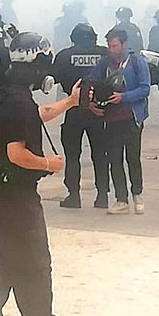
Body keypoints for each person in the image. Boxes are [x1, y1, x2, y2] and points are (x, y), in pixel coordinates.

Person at [0, 31, 79, 316]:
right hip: (17, 200)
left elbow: (33, 116)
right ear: (39, 66)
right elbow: (16, 153)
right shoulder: (19, 103)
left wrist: (69, 102)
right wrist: (48, 164)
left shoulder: (6, 96)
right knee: (34, 264)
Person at [87, 27, 151, 215]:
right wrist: (90, 103)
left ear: (124, 44)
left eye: (114, 45)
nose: (111, 49)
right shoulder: (104, 63)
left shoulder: (137, 62)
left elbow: (145, 89)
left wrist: (123, 97)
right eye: (109, 45)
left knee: (133, 158)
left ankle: (137, 194)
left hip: (132, 118)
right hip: (112, 119)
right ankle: (121, 199)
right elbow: (90, 81)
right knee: (114, 159)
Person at [53, 23, 109, 209]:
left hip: (74, 109)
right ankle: (102, 196)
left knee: (72, 155)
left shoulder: (64, 56)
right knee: (100, 155)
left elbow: (53, 77)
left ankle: (74, 196)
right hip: (99, 111)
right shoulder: (104, 54)